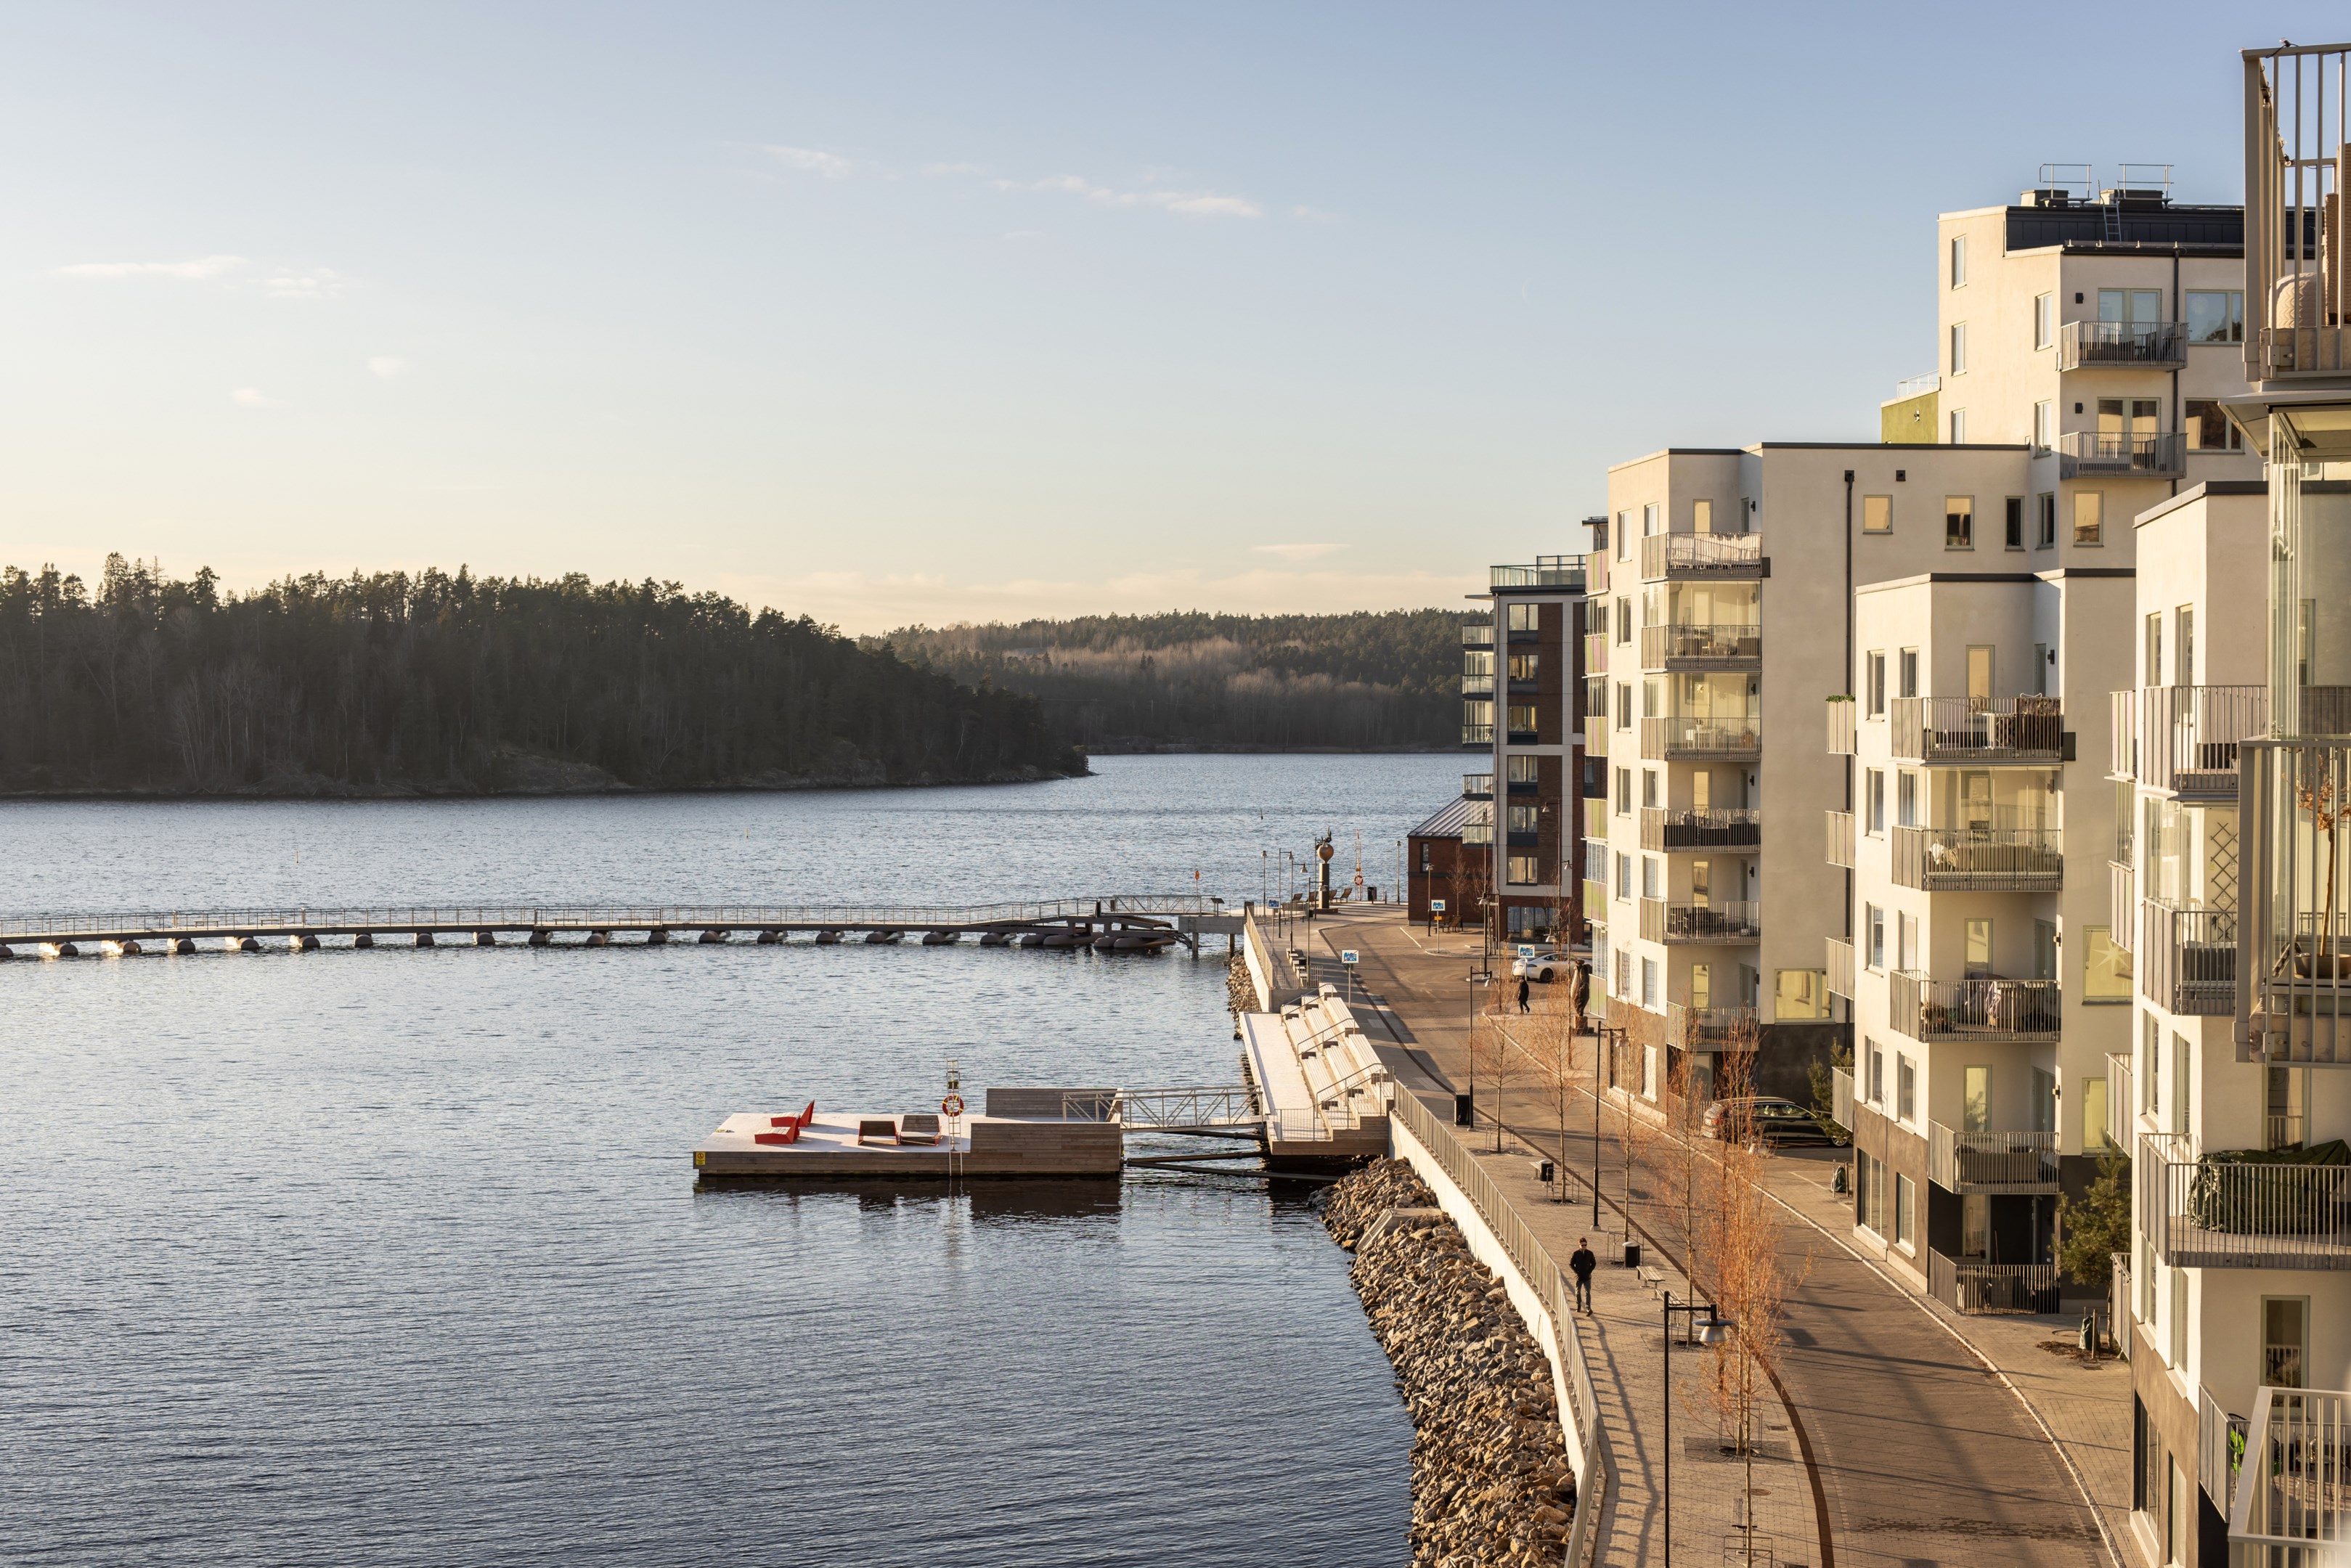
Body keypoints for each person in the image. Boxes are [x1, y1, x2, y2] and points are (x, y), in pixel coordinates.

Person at [1569, 1237, 1597, 1311]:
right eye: (1582, 1245)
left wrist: (1589, 1271)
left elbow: (1594, 1263)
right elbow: (1571, 1264)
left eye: (1585, 1245)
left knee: (1588, 1292)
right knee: (1578, 1292)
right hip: (1579, 1276)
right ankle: (1579, 1305)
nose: (1584, 1246)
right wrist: (1577, 1272)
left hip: (1587, 1276)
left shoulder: (1590, 1253)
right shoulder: (1576, 1254)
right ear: (1579, 1245)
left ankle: (1588, 1307)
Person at [1569, 960, 1591, 1036]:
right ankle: (1579, 969)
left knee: (1578, 982)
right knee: (1578, 982)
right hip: (1579, 991)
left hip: (1578, 991)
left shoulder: (1577, 1004)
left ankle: (1578, 969)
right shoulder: (1577, 1004)